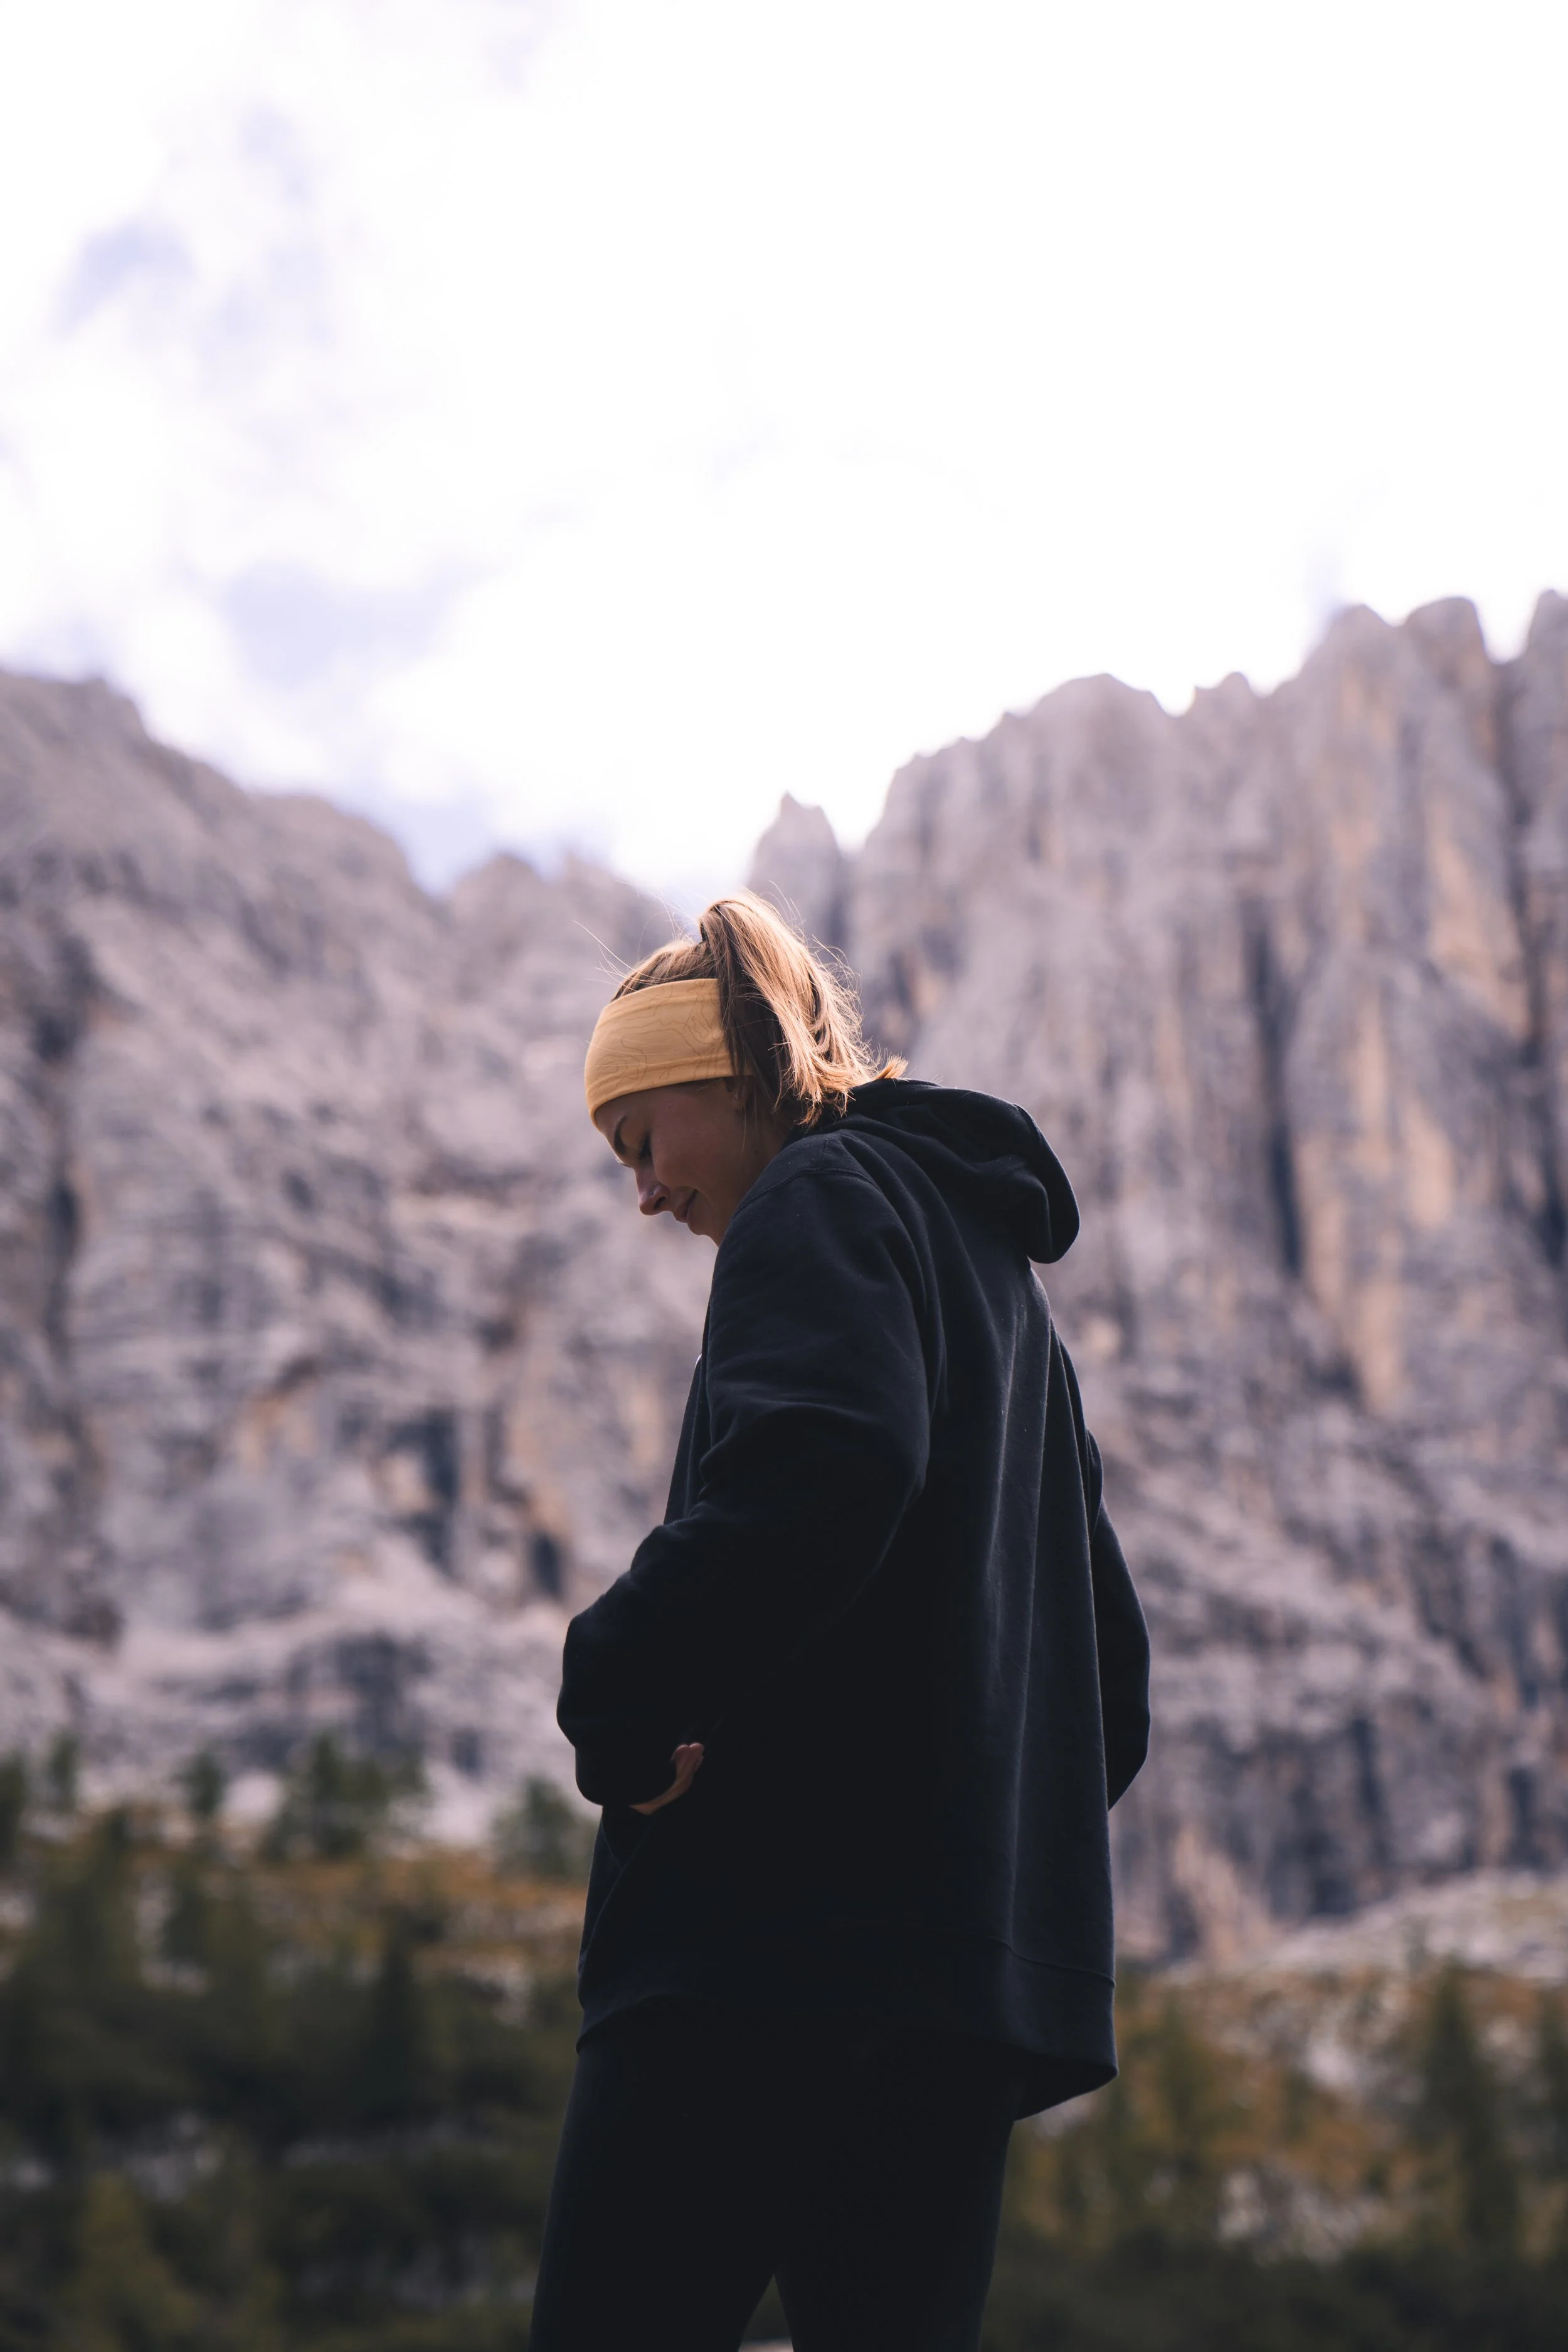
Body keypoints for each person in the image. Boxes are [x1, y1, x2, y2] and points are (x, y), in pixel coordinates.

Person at [532, 893, 1150, 2352]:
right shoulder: (1004, 1298)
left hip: (758, 1954)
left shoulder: (814, 1198)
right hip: (956, 1995)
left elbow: (826, 1465)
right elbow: (1104, 1688)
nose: (641, 1191)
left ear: (727, 1074)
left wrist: (615, 1692)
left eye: (640, 1137)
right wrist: (960, 1824)